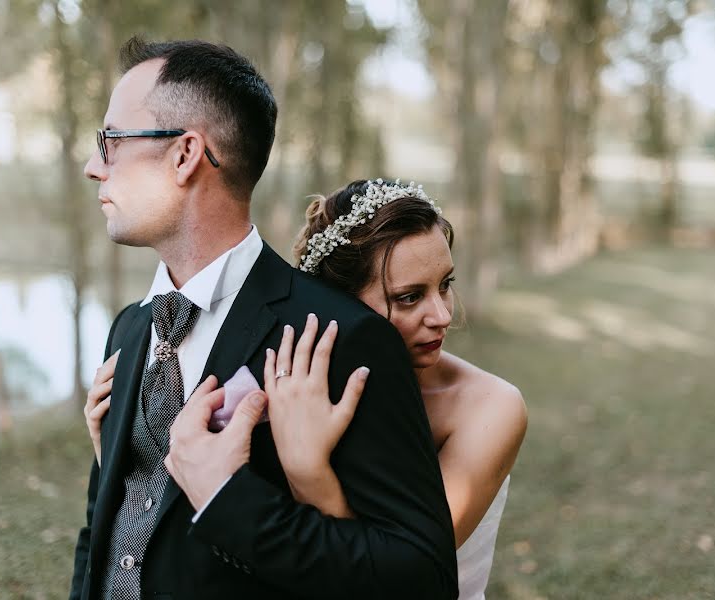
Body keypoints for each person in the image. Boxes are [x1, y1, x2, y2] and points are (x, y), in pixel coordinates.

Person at [71, 37, 456, 600]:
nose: (92, 166)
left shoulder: (339, 338)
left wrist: (229, 500)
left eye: (111, 141)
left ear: (185, 155)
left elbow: (422, 576)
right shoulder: (129, 329)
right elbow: (100, 529)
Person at [87, 179, 527, 600]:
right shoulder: (280, 381)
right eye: (410, 297)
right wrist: (120, 455)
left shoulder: (490, 408)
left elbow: (406, 576)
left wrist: (308, 470)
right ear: (342, 305)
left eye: (445, 285)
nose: (442, 315)